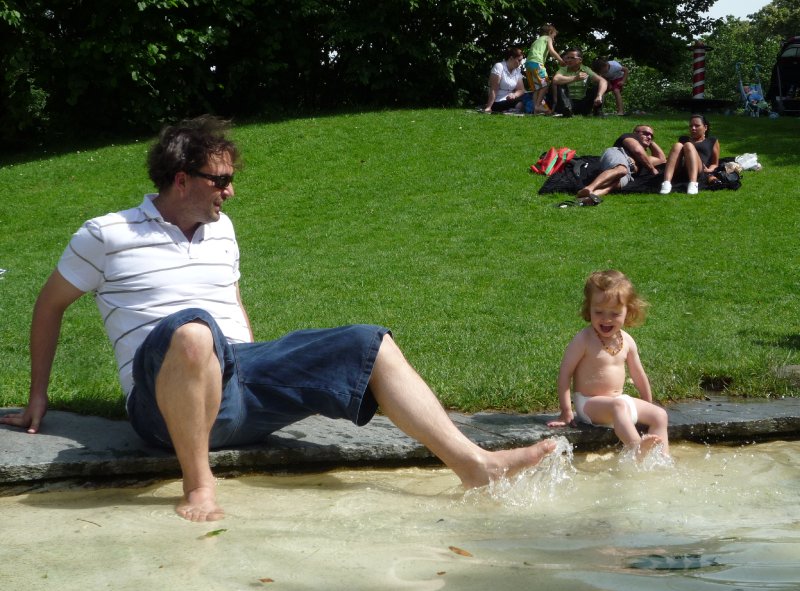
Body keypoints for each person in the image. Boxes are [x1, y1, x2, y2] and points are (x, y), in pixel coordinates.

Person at [0, 116, 556, 522]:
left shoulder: (223, 230)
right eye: (220, 180)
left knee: (367, 341)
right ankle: (199, 487)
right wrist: (37, 397)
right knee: (192, 329)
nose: (230, 190)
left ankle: (474, 464)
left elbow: (233, 301)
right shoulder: (106, 234)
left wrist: (255, 363)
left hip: (237, 379)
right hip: (162, 404)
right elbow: (49, 305)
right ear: (181, 179)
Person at [548, 270, 669, 458]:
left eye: (615, 313)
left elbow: (638, 375)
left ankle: (662, 459)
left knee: (659, 415)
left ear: (628, 311)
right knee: (618, 406)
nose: (606, 319)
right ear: (589, 309)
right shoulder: (584, 340)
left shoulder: (627, 341)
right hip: (589, 404)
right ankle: (637, 449)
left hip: (619, 401)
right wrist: (566, 411)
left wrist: (647, 404)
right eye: (599, 312)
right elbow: (565, 373)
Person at [575, 125, 666, 203]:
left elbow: (661, 159)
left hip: (629, 173)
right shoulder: (628, 137)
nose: (649, 136)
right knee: (621, 170)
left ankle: (585, 198)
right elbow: (637, 151)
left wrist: (650, 141)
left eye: (651, 135)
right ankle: (589, 188)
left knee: (612, 186)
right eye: (645, 133)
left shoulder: (645, 159)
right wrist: (652, 169)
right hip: (619, 154)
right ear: (635, 133)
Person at [660, 114, 720, 195]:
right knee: (677, 145)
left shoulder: (712, 141)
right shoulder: (683, 139)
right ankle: (666, 183)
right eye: (691, 126)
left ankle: (693, 183)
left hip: (700, 169)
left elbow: (715, 163)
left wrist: (709, 170)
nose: (693, 128)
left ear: (705, 127)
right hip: (683, 167)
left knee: (688, 145)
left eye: (697, 126)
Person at [551, 48, 608, 116]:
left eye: (572, 58)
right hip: (568, 102)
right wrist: (575, 78)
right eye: (568, 58)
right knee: (560, 84)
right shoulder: (563, 69)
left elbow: (603, 81)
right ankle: (567, 110)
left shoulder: (586, 69)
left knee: (598, 86)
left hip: (583, 103)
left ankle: (597, 112)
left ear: (580, 60)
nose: (569, 60)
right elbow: (555, 80)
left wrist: (599, 95)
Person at [524, 24, 565, 115]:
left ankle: (535, 110)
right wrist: (560, 60)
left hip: (528, 64)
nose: (553, 39)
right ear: (550, 32)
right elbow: (552, 51)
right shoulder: (548, 38)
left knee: (536, 88)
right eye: (554, 36)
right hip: (537, 63)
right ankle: (538, 105)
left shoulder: (537, 40)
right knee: (545, 84)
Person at [483, 47, 526, 113]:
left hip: (510, 100)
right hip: (497, 100)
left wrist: (514, 95)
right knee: (518, 105)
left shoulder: (517, 71)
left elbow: (521, 89)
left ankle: (510, 111)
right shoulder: (499, 66)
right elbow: (494, 89)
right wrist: (489, 107)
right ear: (511, 58)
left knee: (521, 103)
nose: (520, 63)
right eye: (519, 60)